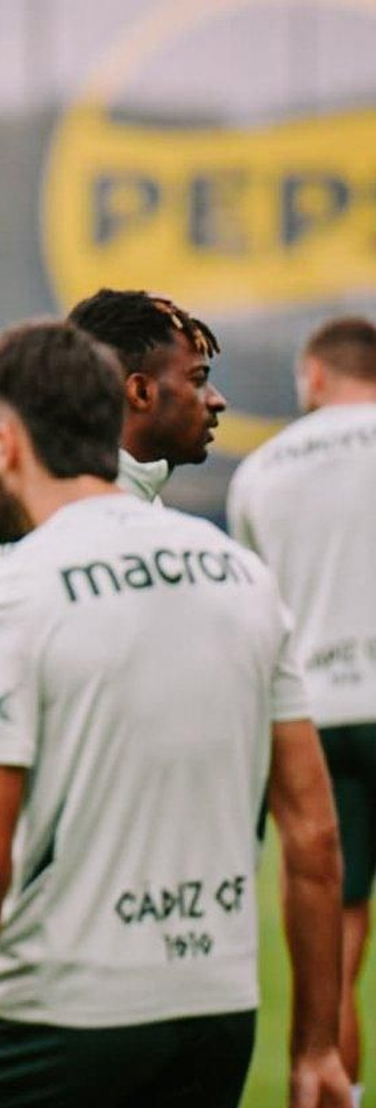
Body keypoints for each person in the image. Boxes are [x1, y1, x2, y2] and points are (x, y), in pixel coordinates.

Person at [0, 320, 348, 1108]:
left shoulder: (6, 590)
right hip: (216, 1011)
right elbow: (313, 832)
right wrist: (315, 1048)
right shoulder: (239, 573)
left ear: (6, 446)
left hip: (54, 1014)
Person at [229, 314, 376, 1106]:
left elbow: (261, 604)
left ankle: (330, 1089)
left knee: (339, 932)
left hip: (314, 714)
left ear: (315, 377)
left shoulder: (264, 469)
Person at [67, 288, 226, 502]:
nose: (217, 400)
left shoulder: (138, 500)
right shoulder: (88, 516)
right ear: (140, 392)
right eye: (198, 380)